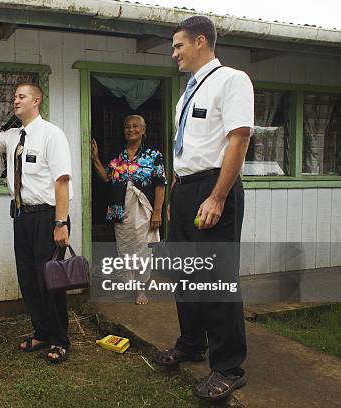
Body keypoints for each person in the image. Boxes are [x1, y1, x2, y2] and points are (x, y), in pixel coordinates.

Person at [153, 16, 254, 401]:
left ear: (200, 41)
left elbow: (239, 138)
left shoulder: (232, 80)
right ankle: (192, 343)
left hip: (214, 188)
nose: (174, 53)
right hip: (185, 190)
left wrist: (217, 196)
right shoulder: (188, 93)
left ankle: (229, 368)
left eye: (178, 46)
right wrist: (178, 191)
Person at [0, 78, 73, 364]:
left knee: (49, 281)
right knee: (28, 280)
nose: (15, 101)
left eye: (21, 96)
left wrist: (61, 223)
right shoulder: (12, 136)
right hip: (22, 216)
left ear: (36, 101)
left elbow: (62, 181)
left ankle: (60, 340)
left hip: (48, 216)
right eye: (14, 97)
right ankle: (42, 332)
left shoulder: (52, 135)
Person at [90, 115, 166, 304]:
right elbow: (107, 177)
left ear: (143, 130)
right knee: (124, 250)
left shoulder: (153, 155)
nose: (131, 130)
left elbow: (160, 184)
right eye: (127, 127)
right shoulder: (119, 156)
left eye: (135, 126)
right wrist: (95, 158)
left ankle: (141, 290)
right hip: (120, 209)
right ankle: (128, 286)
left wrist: (157, 212)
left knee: (142, 250)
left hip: (143, 209)